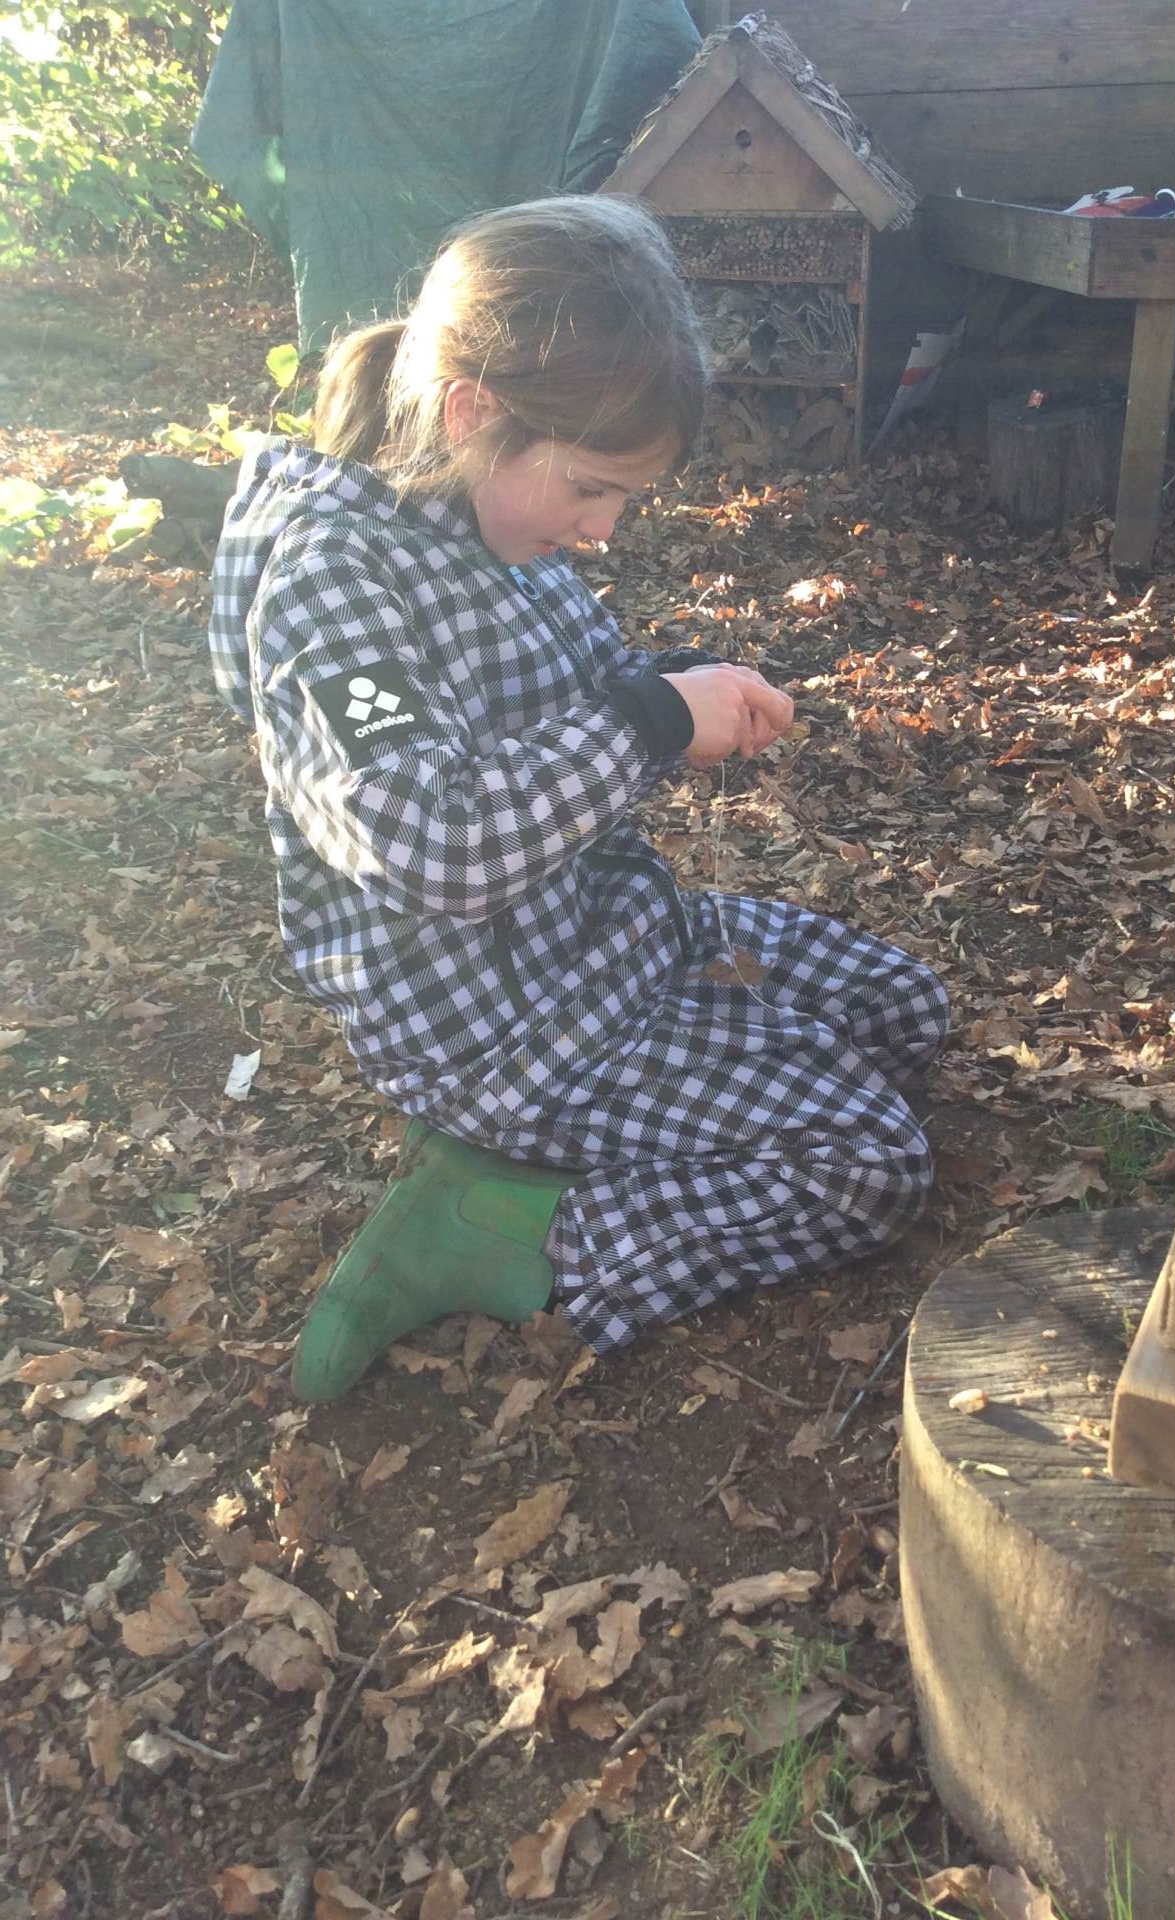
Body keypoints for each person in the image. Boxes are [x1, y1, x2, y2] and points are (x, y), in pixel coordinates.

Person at [209, 195, 948, 1403]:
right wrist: (650, 722)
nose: (605, 529)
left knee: (903, 1014)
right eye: (594, 488)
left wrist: (682, 686)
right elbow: (429, 844)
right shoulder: (330, 586)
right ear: (471, 413)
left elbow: (584, 694)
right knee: (869, 1161)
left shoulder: (500, 529)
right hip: (500, 1026)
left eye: (624, 498)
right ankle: (514, 1224)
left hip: (612, 933)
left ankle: (572, 1154)